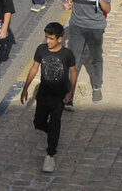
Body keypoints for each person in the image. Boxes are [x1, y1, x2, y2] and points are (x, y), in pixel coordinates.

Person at [20, 22, 77, 174]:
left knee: (54, 124)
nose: (48, 42)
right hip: (43, 95)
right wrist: (25, 88)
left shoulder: (67, 54)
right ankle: (53, 134)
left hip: (59, 98)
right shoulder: (41, 50)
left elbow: (73, 72)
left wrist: (70, 92)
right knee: (38, 123)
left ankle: (50, 154)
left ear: (59, 38)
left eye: (51, 38)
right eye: (46, 38)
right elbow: (34, 68)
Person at [61, 0, 110, 105]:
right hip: (77, 27)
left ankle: (97, 87)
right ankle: (70, 93)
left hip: (95, 28)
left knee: (95, 58)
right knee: (73, 59)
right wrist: (67, 3)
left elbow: (108, 8)